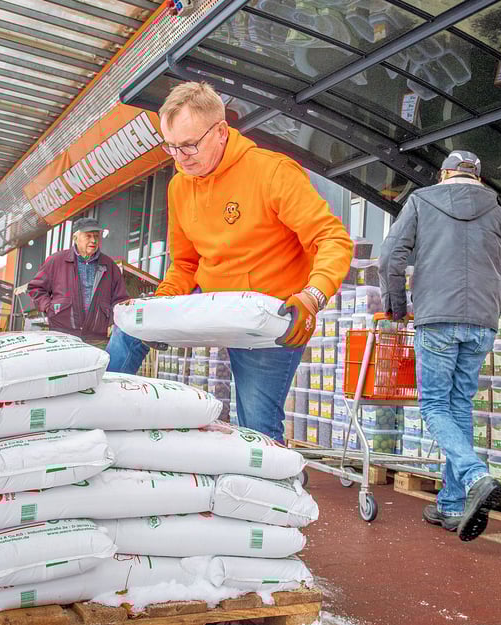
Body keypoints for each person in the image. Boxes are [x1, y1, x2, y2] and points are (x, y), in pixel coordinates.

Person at [106, 81, 353, 442]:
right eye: (171, 147)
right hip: (216, 302)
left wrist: (312, 297)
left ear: (220, 132)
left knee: (257, 426)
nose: (181, 156)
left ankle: (279, 488)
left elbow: (332, 239)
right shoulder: (180, 185)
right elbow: (186, 263)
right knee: (130, 322)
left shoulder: (272, 172)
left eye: (189, 144)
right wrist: (162, 301)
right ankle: (93, 415)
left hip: (273, 316)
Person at [379, 150, 501, 542]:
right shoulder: (498, 213)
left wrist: (397, 307)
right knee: (459, 406)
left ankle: (475, 476)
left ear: (443, 174)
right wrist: (490, 311)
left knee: (435, 405)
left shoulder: (422, 201)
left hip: (436, 319)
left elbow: (390, 257)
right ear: (479, 177)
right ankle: (453, 505)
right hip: (482, 323)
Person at [27, 217, 130, 348]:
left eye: (96, 236)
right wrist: (49, 307)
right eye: (88, 236)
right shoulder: (56, 261)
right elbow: (35, 288)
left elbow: (121, 300)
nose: (93, 240)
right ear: (75, 238)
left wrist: (112, 322)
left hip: (97, 338)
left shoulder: (109, 266)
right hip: (62, 336)